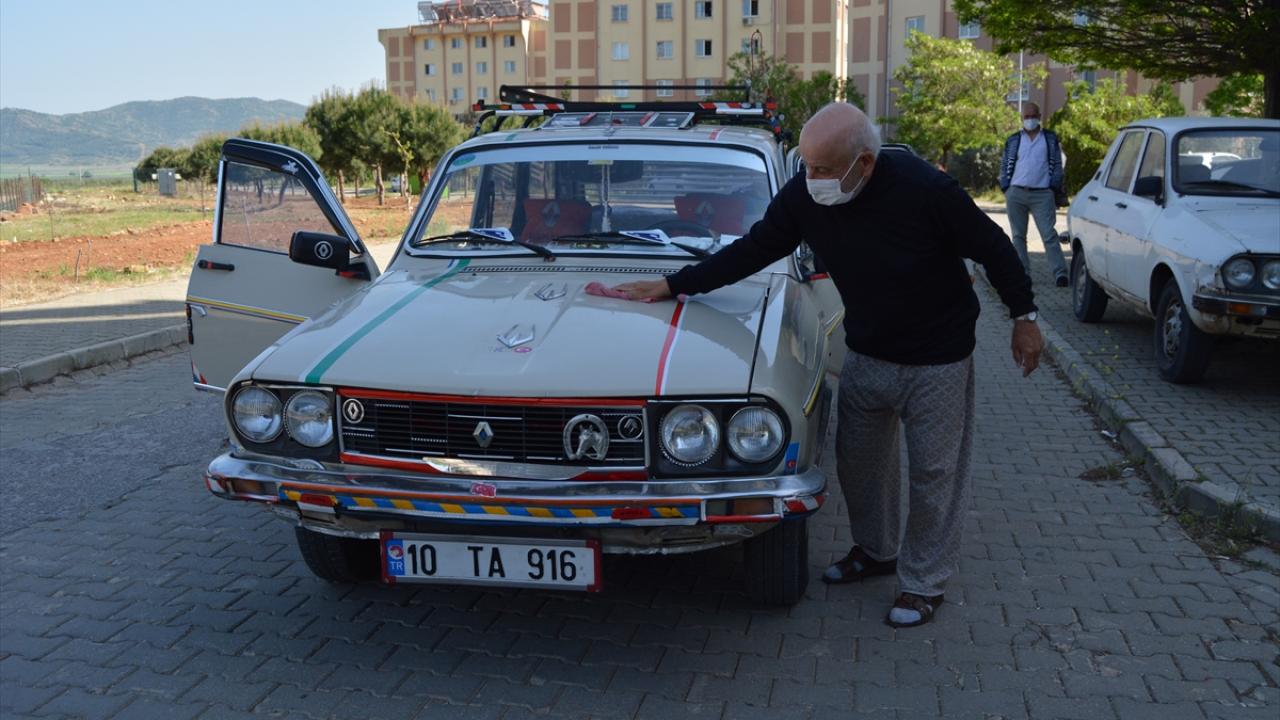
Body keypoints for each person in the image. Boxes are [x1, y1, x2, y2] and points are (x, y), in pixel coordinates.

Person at [614, 103, 1044, 628]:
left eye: (822, 169)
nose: (811, 178)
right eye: (807, 165)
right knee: (859, 464)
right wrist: (675, 284)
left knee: (935, 474)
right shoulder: (805, 195)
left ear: (863, 163)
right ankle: (876, 550)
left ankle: (923, 583)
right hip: (867, 351)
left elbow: (995, 248)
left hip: (938, 360)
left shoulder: (924, 189)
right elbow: (754, 248)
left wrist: (1024, 317)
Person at [999, 102, 1070, 287]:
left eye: (1032, 116)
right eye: (1026, 116)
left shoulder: (1049, 138)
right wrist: (1006, 187)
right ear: (1022, 118)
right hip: (1016, 192)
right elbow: (1005, 162)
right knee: (1018, 236)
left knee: (1049, 235)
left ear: (1039, 116)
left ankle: (1060, 274)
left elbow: (1057, 165)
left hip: (1042, 194)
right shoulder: (1014, 139)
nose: (1029, 119)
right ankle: (1023, 274)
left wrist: (1053, 188)